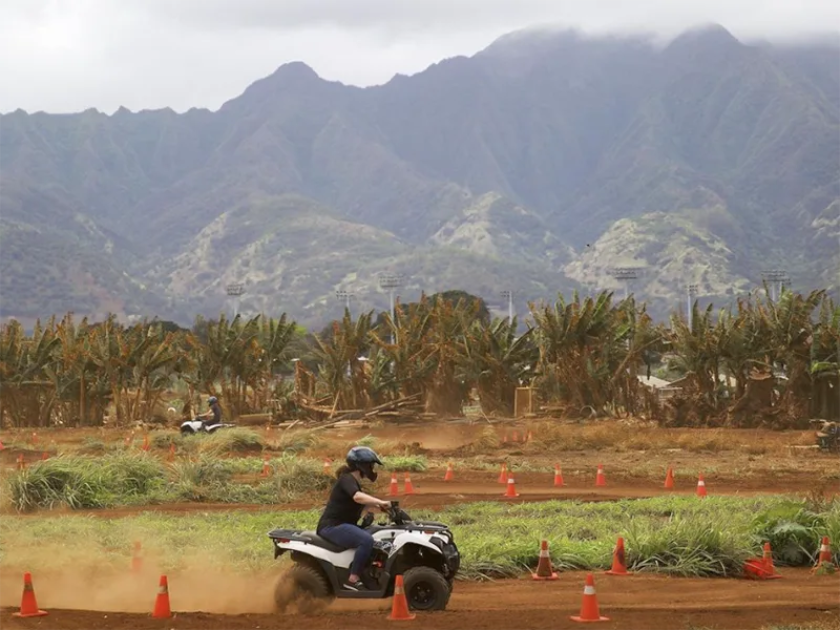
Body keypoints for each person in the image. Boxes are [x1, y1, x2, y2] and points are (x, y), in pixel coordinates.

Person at [316, 446, 391, 591]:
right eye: (371, 465)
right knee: (366, 540)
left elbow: (360, 504)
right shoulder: (347, 479)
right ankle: (353, 579)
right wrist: (380, 502)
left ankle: (367, 574)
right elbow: (357, 497)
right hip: (331, 527)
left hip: (342, 525)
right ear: (362, 466)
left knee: (375, 533)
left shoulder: (353, 482)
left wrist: (382, 509)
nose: (372, 468)